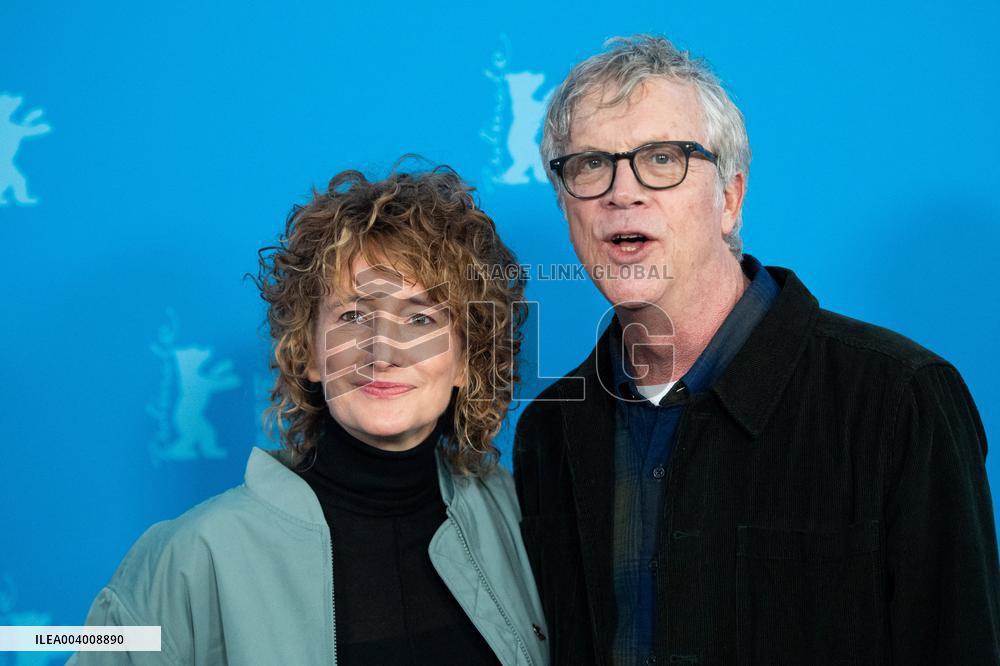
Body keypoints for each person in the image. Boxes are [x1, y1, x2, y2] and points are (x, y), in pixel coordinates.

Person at [513, 34, 1000, 665]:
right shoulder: (550, 430)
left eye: (663, 159)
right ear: (567, 207)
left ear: (731, 198)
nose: (621, 192)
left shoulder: (897, 397)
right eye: (589, 165)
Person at [71, 167, 548, 665]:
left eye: (421, 318)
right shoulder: (193, 557)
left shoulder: (518, 519)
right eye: (353, 316)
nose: (382, 350)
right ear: (309, 353)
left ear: (467, 361)